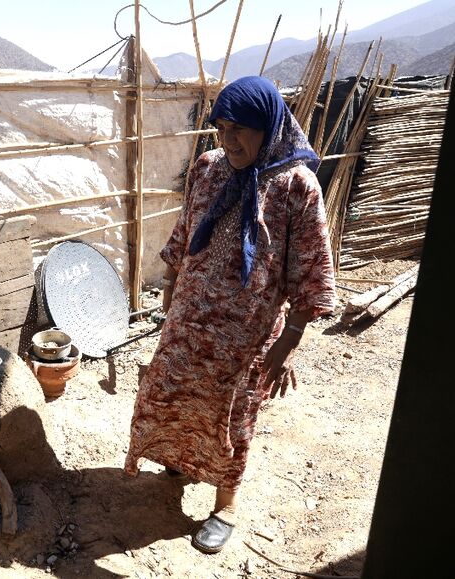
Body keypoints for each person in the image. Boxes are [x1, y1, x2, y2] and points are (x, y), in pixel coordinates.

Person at [124, 76, 336, 554]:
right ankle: (182, 460)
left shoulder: (295, 186)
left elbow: (311, 274)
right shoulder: (208, 167)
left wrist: (285, 346)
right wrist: (173, 294)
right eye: (222, 127)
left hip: (246, 335)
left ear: (270, 127)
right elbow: (187, 229)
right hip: (190, 319)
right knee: (174, 390)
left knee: (233, 415)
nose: (229, 140)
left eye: (242, 129)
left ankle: (226, 505)